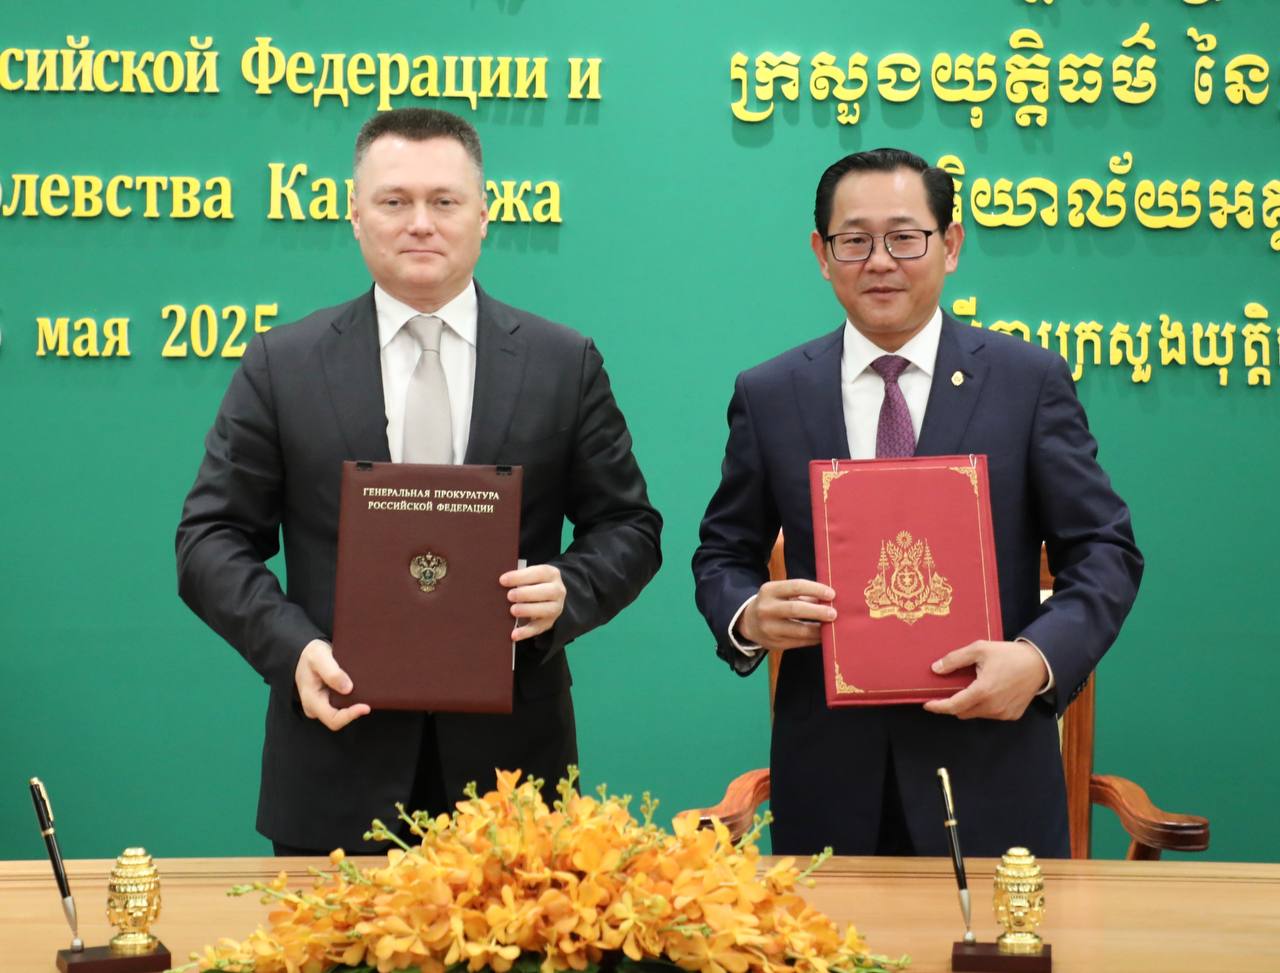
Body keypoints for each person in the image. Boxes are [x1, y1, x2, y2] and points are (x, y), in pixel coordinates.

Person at [176, 108, 662, 855]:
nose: (420, 223)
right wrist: (293, 648)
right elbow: (209, 539)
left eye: (444, 200)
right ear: (354, 214)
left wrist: (571, 588)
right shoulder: (283, 364)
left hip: (514, 776)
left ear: (483, 215)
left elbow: (630, 527)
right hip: (335, 761)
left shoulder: (563, 363)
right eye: (394, 201)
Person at [691, 148, 1141, 858]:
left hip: (992, 771)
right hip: (830, 783)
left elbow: (1104, 551)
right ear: (822, 254)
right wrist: (748, 614)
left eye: (905, 237)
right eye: (854, 240)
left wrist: (1038, 660)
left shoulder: (1027, 382)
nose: (880, 261)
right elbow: (723, 552)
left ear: (950, 245)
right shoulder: (772, 393)